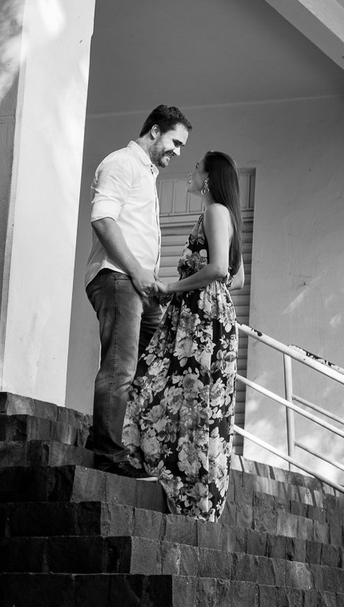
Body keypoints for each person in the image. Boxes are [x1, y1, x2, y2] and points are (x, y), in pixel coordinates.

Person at [123, 150, 245, 521]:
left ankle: (182, 482)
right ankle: (189, 487)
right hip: (204, 317)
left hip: (201, 319)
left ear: (208, 178)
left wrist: (175, 288)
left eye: (196, 167)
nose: (191, 171)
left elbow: (221, 269)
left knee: (181, 393)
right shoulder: (222, 215)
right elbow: (236, 279)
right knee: (191, 398)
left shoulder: (214, 212)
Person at [85, 105, 192, 477]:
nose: (178, 152)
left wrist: (149, 280)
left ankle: (103, 436)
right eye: (175, 142)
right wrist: (136, 272)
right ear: (155, 130)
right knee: (121, 367)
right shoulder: (121, 163)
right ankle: (108, 455)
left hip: (140, 287)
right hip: (118, 278)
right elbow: (102, 219)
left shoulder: (147, 173)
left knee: (153, 364)